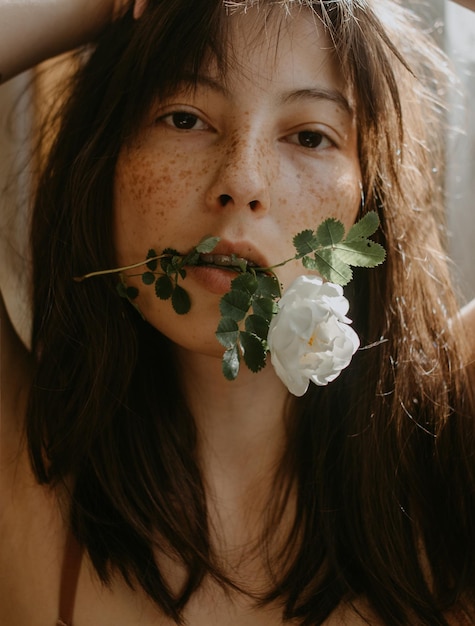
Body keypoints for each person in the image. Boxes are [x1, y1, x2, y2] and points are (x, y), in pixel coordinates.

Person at [1, 0, 475, 624]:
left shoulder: (447, 440)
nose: (243, 179)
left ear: (372, 197)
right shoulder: (27, 480)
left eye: (310, 136)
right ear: (106, 159)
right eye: (184, 118)